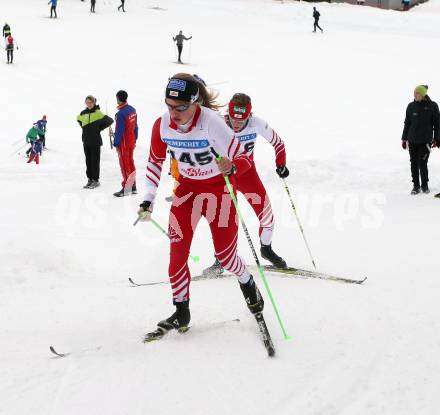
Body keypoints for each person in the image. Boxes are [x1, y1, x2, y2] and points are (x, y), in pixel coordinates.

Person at [137, 73, 264, 337]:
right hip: (187, 192)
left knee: (227, 257)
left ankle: (248, 282)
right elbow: (154, 162)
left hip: (219, 192)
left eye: (181, 107)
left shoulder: (212, 122)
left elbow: (243, 158)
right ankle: (181, 311)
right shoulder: (161, 125)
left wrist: (232, 165)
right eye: (169, 106)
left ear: (195, 102)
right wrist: (147, 199)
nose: (174, 113)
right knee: (176, 257)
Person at [204, 93, 288, 277]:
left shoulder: (256, 123)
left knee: (267, 217)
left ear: (249, 116)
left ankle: (266, 249)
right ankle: (220, 260)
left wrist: (281, 164)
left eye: (241, 121)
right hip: (224, 176)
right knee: (223, 221)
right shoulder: (217, 123)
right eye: (233, 119)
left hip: (248, 174)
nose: (236, 124)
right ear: (228, 114)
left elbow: (278, 143)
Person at [402, 85, 439, 195]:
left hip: (425, 141)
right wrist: (404, 139)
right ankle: (416, 186)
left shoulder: (433, 106)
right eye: (414, 92)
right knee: (413, 163)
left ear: (423, 95)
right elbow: (407, 123)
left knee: (422, 163)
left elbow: (437, 124)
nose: (415, 95)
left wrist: (437, 139)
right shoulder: (410, 106)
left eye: (417, 93)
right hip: (412, 140)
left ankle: (425, 185)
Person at [77, 95, 113, 189]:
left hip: (96, 141)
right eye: (87, 102)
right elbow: (78, 119)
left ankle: (96, 180)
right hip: (86, 141)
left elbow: (110, 120)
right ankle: (90, 179)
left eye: (90, 102)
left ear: (94, 103)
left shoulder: (98, 113)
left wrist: (99, 128)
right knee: (88, 161)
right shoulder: (83, 113)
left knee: (95, 161)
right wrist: (84, 127)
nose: (88, 104)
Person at [113, 90, 138, 197]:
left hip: (124, 143)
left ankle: (127, 187)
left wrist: (116, 142)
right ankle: (133, 186)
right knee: (131, 163)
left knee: (124, 164)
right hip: (131, 140)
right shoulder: (132, 110)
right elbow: (136, 126)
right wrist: (135, 137)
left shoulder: (120, 114)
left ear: (118, 98)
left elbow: (119, 130)